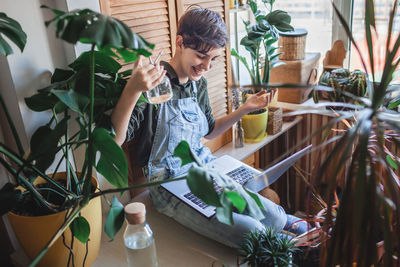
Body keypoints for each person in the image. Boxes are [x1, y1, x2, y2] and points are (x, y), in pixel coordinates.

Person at [111, 8, 307, 248]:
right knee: (255, 234)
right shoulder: (153, 84)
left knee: (276, 216)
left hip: (205, 170)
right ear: (180, 42)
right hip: (168, 183)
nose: (206, 66)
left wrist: (245, 108)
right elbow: (115, 141)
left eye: (213, 59)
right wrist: (132, 89)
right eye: (201, 56)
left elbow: (210, 131)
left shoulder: (197, 85)